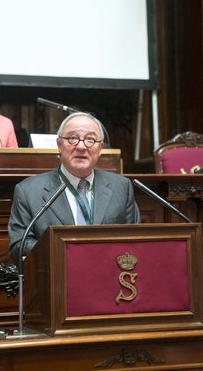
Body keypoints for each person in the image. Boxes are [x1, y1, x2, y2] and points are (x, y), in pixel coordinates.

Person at [8, 111, 140, 263]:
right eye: (72, 138)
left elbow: (135, 240)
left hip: (109, 278)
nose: (81, 146)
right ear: (59, 145)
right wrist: (71, 254)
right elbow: (19, 245)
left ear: (100, 148)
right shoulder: (28, 191)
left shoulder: (121, 187)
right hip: (56, 280)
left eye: (90, 139)